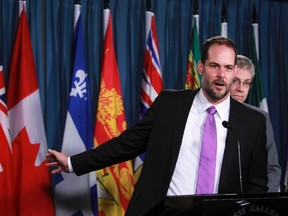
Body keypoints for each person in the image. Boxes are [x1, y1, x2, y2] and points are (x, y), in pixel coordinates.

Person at [46, 36, 268, 216]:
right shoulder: (170, 104)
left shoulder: (252, 122)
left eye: (228, 68)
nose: (222, 75)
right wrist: (74, 163)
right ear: (200, 67)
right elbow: (127, 144)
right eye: (214, 66)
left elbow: (256, 186)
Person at [230, 54, 281, 192]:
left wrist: (263, 203)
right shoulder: (209, 113)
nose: (241, 88)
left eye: (246, 83)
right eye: (235, 81)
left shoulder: (261, 118)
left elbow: (271, 168)